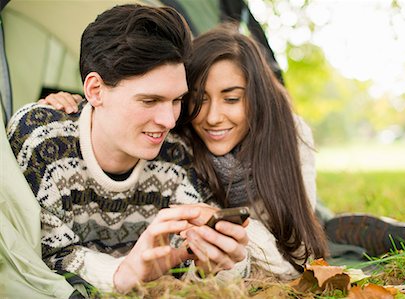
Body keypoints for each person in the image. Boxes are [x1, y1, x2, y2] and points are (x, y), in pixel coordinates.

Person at [42, 24, 329, 280]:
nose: (214, 117)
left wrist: (224, 222)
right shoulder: (174, 137)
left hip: (278, 229)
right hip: (250, 248)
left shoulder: (288, 134)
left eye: (231, 98)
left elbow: (301, 257)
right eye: (197, 99)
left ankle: (338, 224)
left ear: (257, 98)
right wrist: (86, 108)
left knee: (324, 226)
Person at [7, 5, 249, 294]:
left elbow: (191, 258)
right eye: (149, 101)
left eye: (176, 101)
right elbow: (31, 256)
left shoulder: (176, 153)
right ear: (95, 90)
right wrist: (121, 273)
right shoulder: (41, 139)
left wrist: (216, 261)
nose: (169, 120)